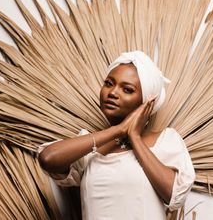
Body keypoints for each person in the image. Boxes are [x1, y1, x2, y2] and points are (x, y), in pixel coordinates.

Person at [37, 51, 195, 220]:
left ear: (147, 102)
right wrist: (118, 130)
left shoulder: (165, 141)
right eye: (109, 83)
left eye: (127, 89)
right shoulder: (88, 146)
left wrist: (134, 137)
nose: (112, 92)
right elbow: (48, 158)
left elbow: (174, 196)